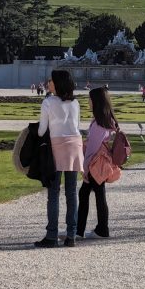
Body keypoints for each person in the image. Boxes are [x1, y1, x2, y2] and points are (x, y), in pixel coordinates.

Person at [35, 70, 83, 248]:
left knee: (53, 194)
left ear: (58, 83)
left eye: (51, 80)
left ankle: (52, 235)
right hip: (75, 146)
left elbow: (41, 131)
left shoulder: (48, 102)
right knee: (71, 193)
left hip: (57, 147)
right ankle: (71, 235)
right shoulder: (76, 102)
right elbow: (77, 126)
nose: (48, 83)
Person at [78, 87, 117, 240]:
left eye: (90, 99)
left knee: (90, 194)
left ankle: (85, 230)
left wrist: (84, 168)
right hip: (102, 163)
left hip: (96, 164)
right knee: (96, 194)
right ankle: (98, 229)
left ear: (96, 101)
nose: (88, 102)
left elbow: (92, 149)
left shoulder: (98, 124)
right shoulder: (108, 119)